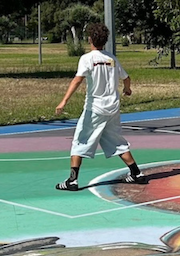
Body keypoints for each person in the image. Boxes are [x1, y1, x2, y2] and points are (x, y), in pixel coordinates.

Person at [54, 22, 145, 190]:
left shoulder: (87, 59)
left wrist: (64, 101)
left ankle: (72, 180)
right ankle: (136, 173)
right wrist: (127, 89)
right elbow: (126, 77)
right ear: (106, 40)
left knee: (79, 142)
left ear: (90, 39)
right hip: (112, 108)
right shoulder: (111, 58)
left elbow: (77, 79)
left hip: (95, 108)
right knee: (117, 141)